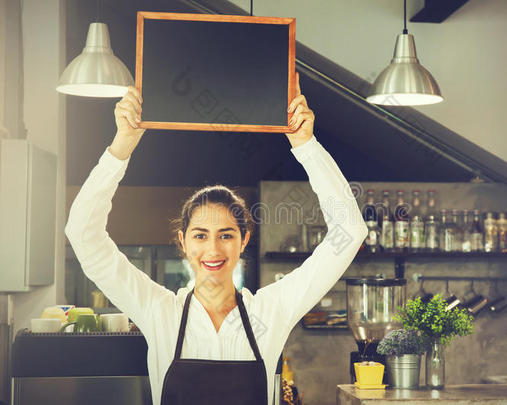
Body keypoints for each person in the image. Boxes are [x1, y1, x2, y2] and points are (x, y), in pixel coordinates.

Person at [65, 72, 367, 405]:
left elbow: (350, 231)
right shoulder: (158, 311)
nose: (212, 249)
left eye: (226, 235)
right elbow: (83, 234)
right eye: (200, 235)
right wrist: (121, 147)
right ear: (183, 242)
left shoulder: (270, 312)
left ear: (244, 239)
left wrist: (306, 146)